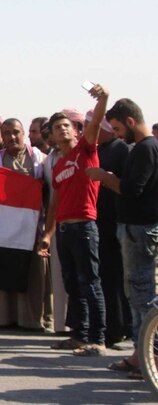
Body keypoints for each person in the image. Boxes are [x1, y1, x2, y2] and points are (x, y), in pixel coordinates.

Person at [87, 98, 158, 376]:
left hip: (139, 231)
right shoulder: (143, 149)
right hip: (135, 229)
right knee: (138, 294)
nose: (116, 135)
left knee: (141, 296)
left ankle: (144, 358)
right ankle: (140, 354)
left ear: (130, 122)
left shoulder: (145, 149)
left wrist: (104, 177)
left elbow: (132, 190)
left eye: (117, 129)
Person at [39, 83, 109, 356]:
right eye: (58, 128)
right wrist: (47, 234)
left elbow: (98, 119)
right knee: (72, 284)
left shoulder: (86, 149)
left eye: (67, 126)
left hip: (84, 226)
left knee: (90, 282)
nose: (63, 130)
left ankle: (98, 339)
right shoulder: (56, 165)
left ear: (77, 130)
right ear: (53, 137)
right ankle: (78, 336)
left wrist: (103, 97)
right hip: (64, 231)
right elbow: (54, 203)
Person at [0, 119, 52, 331]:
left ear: (24, 133)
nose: (12, 137)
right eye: (7, 133)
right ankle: (3, 317)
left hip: (33, 227)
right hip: (3, 228)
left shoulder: (40, 160)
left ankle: (33, 319)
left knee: (33, 274)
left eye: (16, 132)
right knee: (5, 272)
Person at [86, 109, 132, 348]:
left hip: (113, 223)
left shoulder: (121, 150)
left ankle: (119, 326)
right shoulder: (96, 150)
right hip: (95, 223)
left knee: (114, 277)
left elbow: (127, 187)